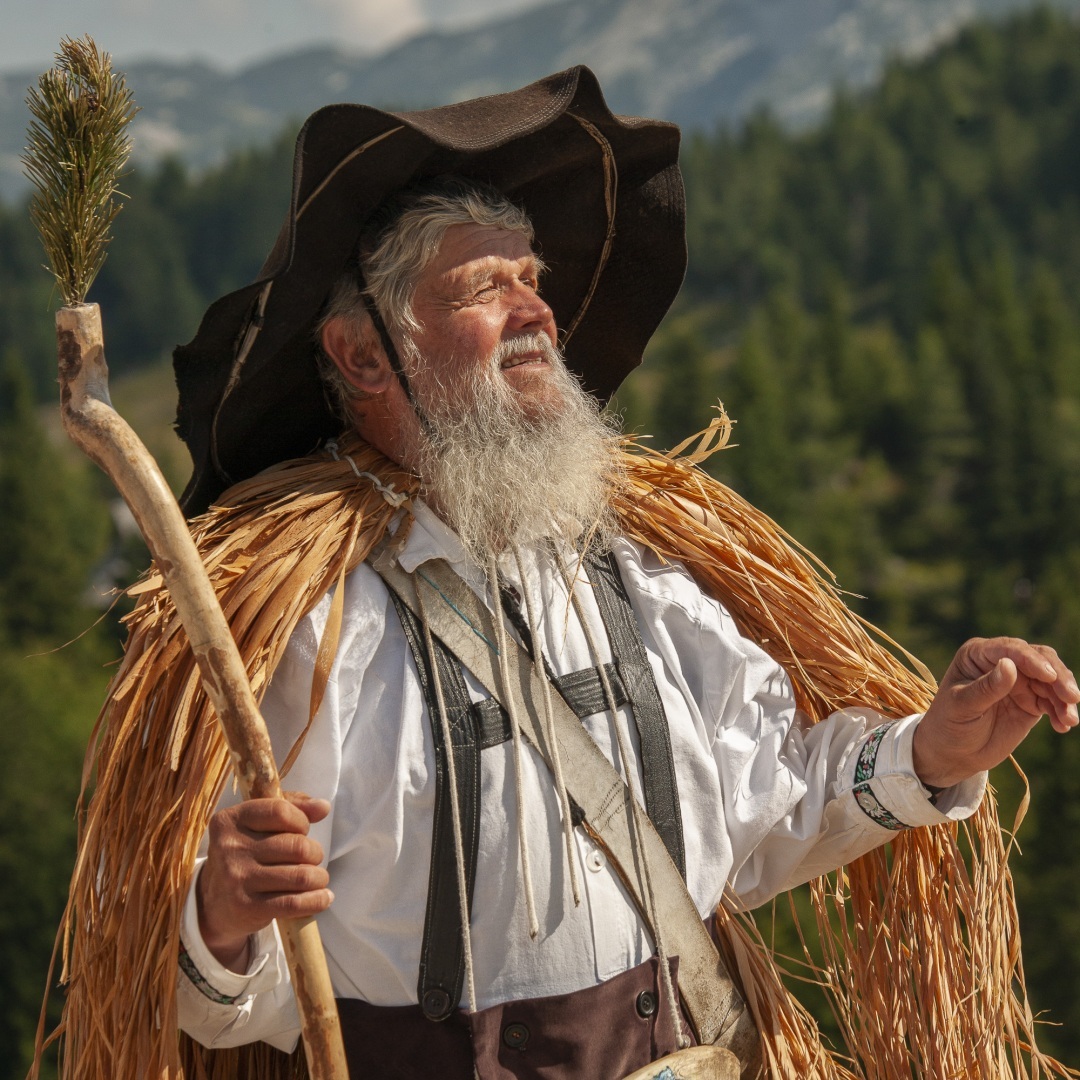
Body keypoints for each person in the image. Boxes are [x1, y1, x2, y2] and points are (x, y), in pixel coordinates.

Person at [58, 68, 1080, 1080]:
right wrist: (220, 918)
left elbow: (773, 804)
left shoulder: (632, 574)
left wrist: (934, 752)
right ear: (364, 358)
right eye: (482, 287)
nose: (534, 311)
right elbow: (225, 993)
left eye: (532, 281)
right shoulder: (308, 631)